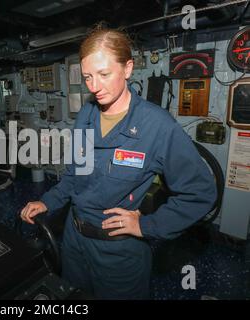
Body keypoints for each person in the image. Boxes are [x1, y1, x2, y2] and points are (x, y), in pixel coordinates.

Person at [20, 25, 217, 299]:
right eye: (88, 77)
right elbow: (75, 176)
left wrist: (146, 225)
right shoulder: (86, 116)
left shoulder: (156, 126)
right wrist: (48, 201)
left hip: (119, 253)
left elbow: (201, 193)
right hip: (74, 241)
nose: (94, 87)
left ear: (127, 68)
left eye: (103, 74)